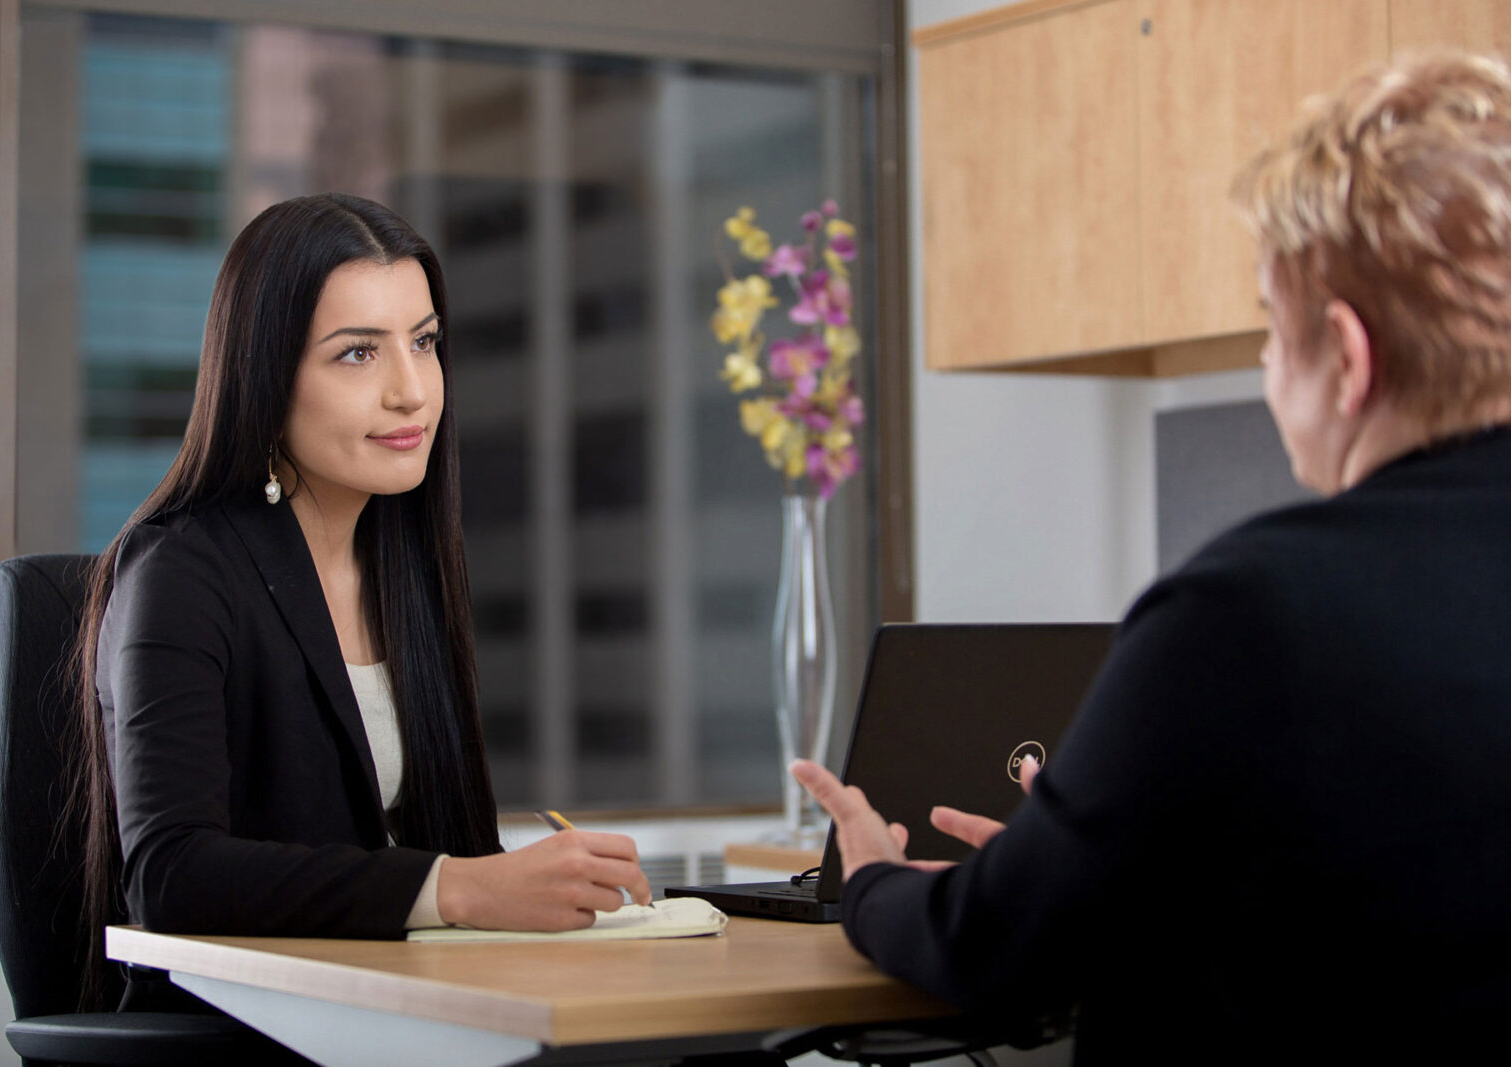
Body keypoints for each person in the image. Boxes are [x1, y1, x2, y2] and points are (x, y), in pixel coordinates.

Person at [794, 50, 1511, 1062]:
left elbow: (996, 953)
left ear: (1346, 359)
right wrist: (1074, 867)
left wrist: (872, 879)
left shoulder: (1253, 608)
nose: (1266, 370)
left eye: (1271, 331)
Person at [73, 193, 650, 1006]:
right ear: (265, 378)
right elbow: (172, 875)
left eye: (424, 343)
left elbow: (446, 846)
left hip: (398, 1010)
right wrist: (458, 888)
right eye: (358, 354)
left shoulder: (404, 564)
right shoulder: (179, 569)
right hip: (244, 1031)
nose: (412, 391)